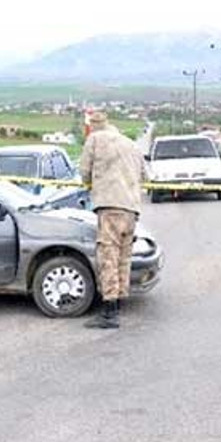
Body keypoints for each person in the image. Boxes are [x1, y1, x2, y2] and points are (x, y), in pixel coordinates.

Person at [78, 110, 145, 329]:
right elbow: (146, 175)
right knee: (124, 258)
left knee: (108, 256)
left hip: (110, 206)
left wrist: (94, 182)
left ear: (92, 125)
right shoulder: (130, 143)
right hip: (131, 210)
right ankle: (119, 302)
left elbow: (84, 172)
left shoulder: (95, 139)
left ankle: (109, 312)